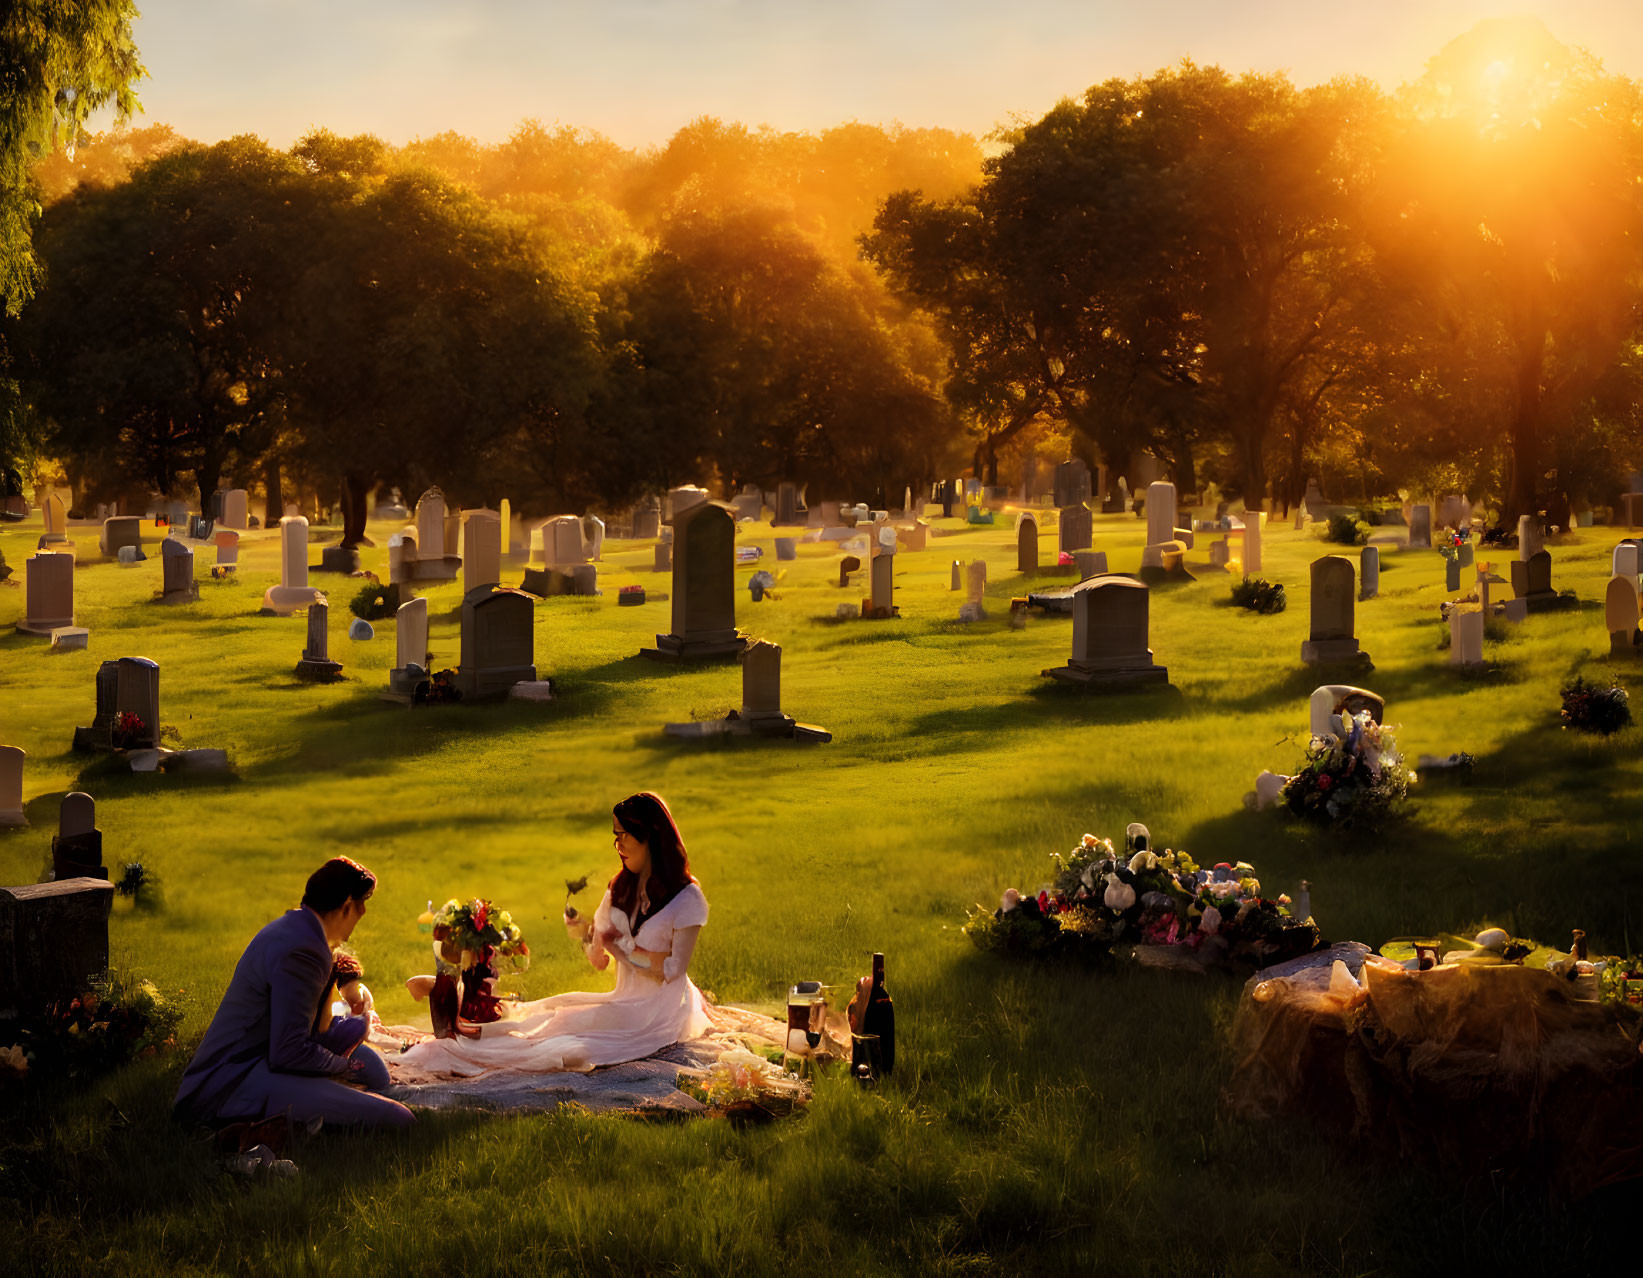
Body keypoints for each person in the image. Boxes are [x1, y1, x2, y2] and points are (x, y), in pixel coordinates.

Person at [401, 792, 711, 1074]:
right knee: (553, 1007)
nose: (618, 846)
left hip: (660, 1010)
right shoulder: (620, 888)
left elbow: (672, 970)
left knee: (566, 1027)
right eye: (615, 837)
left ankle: (462, 1036)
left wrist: (619, 947)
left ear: (651, 837)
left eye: (625, 836)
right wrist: (588, 936)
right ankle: (458, 1018)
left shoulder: (687, 898)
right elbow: (598, 957)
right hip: (624, 998)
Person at [174, 857, 414, 1130]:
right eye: (362, 904)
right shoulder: (304, 951)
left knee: (372, 1069)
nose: (364, 912)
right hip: (230, 1082)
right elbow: (288, 1051)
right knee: (399, 1119)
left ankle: (335, 1095)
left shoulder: (299, 928)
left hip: (259, 1060)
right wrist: (341, 1067)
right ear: (346, 905)